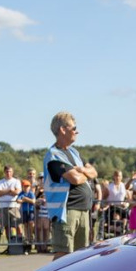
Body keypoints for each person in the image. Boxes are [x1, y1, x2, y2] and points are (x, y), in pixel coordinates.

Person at [44, 111, 97, 259]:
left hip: (83, 209)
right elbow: (75, 179)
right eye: (74, 128)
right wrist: (84, 173)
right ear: (62, 130)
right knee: (63, 255)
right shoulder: (54, 155)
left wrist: (81, 170)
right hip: (66, 212)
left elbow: (94, 172)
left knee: (81, 256)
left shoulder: (74, 153)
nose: (77, 131)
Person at [0, 165, 23, 242]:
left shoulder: (16, 181)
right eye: (7, 171)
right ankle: (10, 243)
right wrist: (10, 190)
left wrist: (5, 191)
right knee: (6, 226)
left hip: (14, 206)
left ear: (12, 172)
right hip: (3, 207)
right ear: (4, 172)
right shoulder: (0, 182)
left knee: (17, 225)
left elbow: (17, 192)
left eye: (10, 171)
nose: (8, 173)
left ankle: (20, 242)